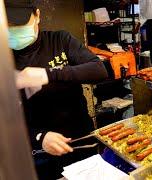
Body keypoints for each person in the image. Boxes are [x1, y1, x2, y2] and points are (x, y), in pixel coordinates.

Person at [5, 0, 112, 179]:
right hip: (37, 151)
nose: (15, 29)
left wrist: (48, 74)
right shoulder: (3, 58)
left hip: (81, 140)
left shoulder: (59, 40)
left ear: (37, 15)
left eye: (20, 23)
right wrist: (39, 136)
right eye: (9, 25)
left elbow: (99, 70)